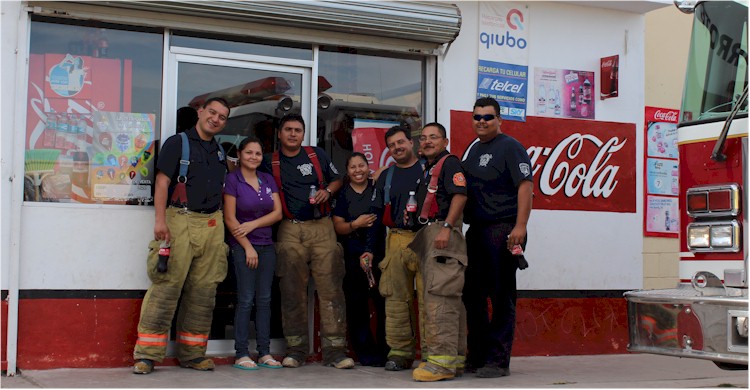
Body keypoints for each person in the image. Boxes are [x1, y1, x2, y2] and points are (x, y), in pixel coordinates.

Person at [133, 97, 231, 374]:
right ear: (201, 113)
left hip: (212, 223)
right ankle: (147, 355)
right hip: (180, 220)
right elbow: (163, 182)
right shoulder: (177, 143)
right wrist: (160, 220)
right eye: (212, 112)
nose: (216, 119)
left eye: (222, 117)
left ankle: (193, 354)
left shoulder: (220, 151)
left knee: (204, 292)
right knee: (166, 286)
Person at [260, 113, 353, 369]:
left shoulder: (316, 155)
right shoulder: (270, 161)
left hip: (323, 228)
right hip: (289, 229)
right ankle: (296, 350)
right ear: (279, 134)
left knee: (331, 289)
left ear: (303, 133)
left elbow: (337, 179)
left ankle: (335, 351)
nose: (293, 134)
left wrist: (328, 191)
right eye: (288, 129)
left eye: (298, 130)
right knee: (291, 291)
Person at [461, 97, 533, 378]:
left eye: (488, 117)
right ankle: (477, 356)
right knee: (473, 296)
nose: (482, 121)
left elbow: (525, 186)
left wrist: (520, 226)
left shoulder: (511, 147)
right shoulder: (473, 149)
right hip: (477, 230)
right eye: (477, 117)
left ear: (499, 120)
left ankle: (497, 360)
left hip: (504, 229)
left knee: (501, 296)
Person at [408, 122, 468, 382]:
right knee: (444, 297)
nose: (427, 141)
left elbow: (460, 196)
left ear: (445, 141)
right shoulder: (430, 167)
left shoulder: (450, 163)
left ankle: (441, 365)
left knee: (439, 298)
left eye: (433, 137)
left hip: (443, 234)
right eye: (423, 138)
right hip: (432, 234)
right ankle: (455, 359)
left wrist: (446, 227)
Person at [223, 136, 283, 370]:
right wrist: (247, 245)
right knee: (246, 299)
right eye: (249, 153)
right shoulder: (232, 179)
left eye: (258, 154)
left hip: (267, 245)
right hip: (242, 246)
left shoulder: (267, 179)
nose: (253, 157)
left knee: (265, 300)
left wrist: (253, 225)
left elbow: (277, 213)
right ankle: (241, 353)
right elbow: (230, 219)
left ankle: (265, 352)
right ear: (240, 154)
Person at [374, 126, 425, 372]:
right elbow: (375, 215)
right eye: (392, 145)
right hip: (395, 239)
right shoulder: (386, 176)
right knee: (395, 300)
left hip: (427, 238)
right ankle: (400, 353)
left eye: (401, 142)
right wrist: (369, 249)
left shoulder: (430, 169)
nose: (397, 147)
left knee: (430, 299)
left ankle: (432, 353)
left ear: (411, 142)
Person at [332, 152, 388, 367]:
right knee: (357, 305)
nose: (358, 170)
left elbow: (390, 171)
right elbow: (338, 226)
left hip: (378, 251)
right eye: (353, 167)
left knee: (383, 302)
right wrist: (356, 224)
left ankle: (385, 351)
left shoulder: (378, 189)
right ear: (347, 172)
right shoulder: (344, 195)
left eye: (361, 166)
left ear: (368, 167)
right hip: (354, 252)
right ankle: (365, 352)